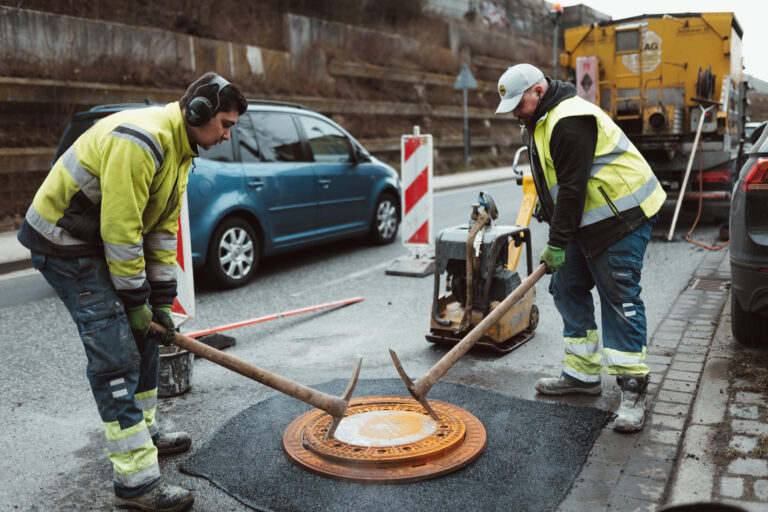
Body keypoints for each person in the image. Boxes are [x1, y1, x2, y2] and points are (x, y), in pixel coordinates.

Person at [17, 72, 247, 510]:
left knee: (148, 339)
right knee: (116, 358)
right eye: (225, 124)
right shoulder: (142, 140)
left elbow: (160, 230)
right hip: (64, 242)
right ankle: (136, 483)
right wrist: (135, 303)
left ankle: (146, 432)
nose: (227, 135)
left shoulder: (181, 151)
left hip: (96, 239)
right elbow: (121, 231)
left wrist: (159, 303)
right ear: (198, 112)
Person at [495, 63, 666, 433]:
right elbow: (557, 182)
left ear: (538, 91)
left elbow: (573, 188)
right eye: (511, 108)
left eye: (519, 105)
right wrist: (551, 214)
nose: (516, 113)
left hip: (622, 215)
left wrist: (556, 243)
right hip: (586, 219)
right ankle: (582, 374)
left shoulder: (569, 119)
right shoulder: (539, 121)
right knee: (566, 285)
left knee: (618, 294)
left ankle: (632, 388)